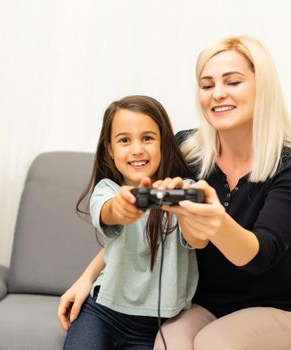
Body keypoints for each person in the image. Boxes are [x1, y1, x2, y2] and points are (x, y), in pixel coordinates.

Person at [58, 35, 291, 350]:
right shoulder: (188, 149)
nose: (218, 94)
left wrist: (215, 221)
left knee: (214, 343)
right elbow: (141, 222)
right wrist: (88, 277)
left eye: (233, 82)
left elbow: (260, 256)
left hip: (273, 309)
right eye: (207, 85)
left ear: (262, 86)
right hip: (202, 306)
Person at [61, 95, 199, 350]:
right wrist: (123, 206)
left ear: (163, 144)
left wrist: (183, 207)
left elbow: (197, 239)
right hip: (102, 312)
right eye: (124, 140)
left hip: (161, 325)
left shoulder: (184, 190)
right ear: (110, 150)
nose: (137, 149)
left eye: (147, 138)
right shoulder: (107, 190)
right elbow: (110, 211)